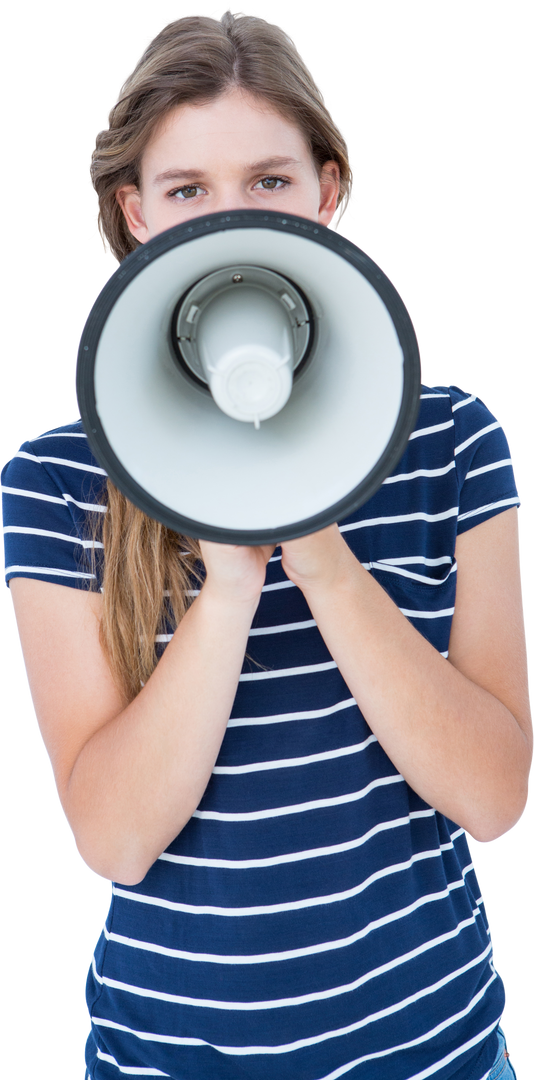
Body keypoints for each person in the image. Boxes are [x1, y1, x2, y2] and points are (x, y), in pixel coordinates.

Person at [1, 6, 530, 1079]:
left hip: (440, 1052)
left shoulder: (454, 443)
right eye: (190, 191)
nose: (230, 217)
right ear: (136, 213)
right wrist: (233, 575)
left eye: (271, 181)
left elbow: (493, 798)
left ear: (328, 194)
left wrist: (321, 547)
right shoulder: (56, 482)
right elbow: (114, 838)